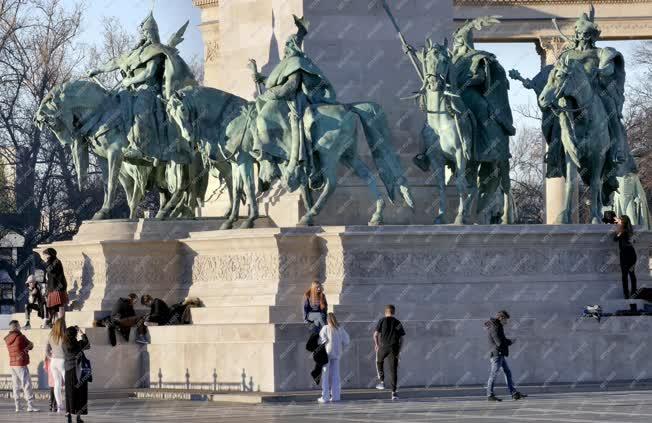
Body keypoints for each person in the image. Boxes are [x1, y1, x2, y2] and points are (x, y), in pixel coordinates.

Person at [485, 310, 526, 401]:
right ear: (501, 318)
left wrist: (508, 341)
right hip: (497, 354)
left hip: (500, 354)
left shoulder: (498, 326)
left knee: (507, 372)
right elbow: (499, 342)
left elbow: (501, 339)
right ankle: (489, 395)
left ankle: (514, 393)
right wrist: (510, 342)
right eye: (505, 320)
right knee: (494, 374)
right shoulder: (495, 327)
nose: (506, 322)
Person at [4, 320, 39, 413]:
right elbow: (31, 345)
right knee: (26, 384)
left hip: (12, 364)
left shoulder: (7, 338)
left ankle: (17, 406)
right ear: (16, 327)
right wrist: (27, 347)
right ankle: (30, 406)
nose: (20, 327)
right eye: (19, 325)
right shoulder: (21, 336)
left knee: (16, 385)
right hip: (21, 363)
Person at [373, 304, 405, 400]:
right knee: (393, 370)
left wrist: (377, 344)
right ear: (394, 312)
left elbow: (375, 334)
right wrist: (399, 350)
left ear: (385, 312)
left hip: (383, 347)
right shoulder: (397, 322)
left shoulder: (382, 320)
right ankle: (394, 393)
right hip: (394, 348)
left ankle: (382, 382)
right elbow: (402, 338)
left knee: (379, 361)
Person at [317, 312, 350, 403]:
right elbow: (347, 340)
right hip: (337, 353)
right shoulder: (340, 329)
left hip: (327, 353)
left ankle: (325, 397)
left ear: (327, 320)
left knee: (325, 375)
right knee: (335, 375)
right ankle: (336, 396)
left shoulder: (325, 328)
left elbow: (322, 340)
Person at [63, 325, 90, 423]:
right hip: (79, 370)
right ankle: (78, 417)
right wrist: (81, 332)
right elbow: (87, 344)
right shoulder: (77, 344)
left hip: (68, 370)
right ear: (75, 334)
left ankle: (68, 413)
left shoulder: (64, 343)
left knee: (69, 392)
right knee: (80, 393)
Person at [46, 318, 67, 413]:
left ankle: (59, 406)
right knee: (68, 384)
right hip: (63, 361)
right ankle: (71, 404)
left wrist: (51, 357)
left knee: (57, 385)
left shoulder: (51, 336)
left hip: (54, 362)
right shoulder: (65, 336)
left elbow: (46, 351)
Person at [43, 247, 68, 327]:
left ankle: (59, 322)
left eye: (45, 254)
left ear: (49, 254)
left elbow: (51, 271)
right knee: (57, 306)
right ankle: (58, 322)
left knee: (56, 305)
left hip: (55, 287)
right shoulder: (56, 261)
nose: (44, 256)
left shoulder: (53, 261)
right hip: (55, 287)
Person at [614, 215, 637, 299]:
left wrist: (617, 229)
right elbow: (633, 241)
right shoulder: (629, 230)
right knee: (631, 274)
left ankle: (626, 294)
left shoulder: (622, 230)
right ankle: (633, 292)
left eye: (619, 220)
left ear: (622, 222)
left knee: (625, 275)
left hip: (625, 255)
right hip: (632, 254)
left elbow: (615, 239)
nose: (618, 221)